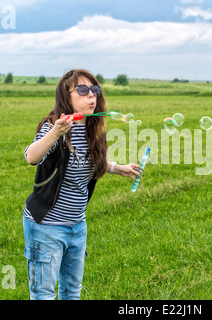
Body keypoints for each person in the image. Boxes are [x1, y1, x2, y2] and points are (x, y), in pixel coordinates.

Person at [22, 69, 140, 300]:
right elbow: (31, 157)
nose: (91, 96)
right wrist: (55, 133)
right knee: (44, 294)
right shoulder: (53, 127)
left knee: (72, 292)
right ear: (66, 96)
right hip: (47, 226)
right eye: (83, 90)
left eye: (94, 90)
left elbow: (88, 162)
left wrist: (117, 168)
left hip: (77, 225)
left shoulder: (91, 129)